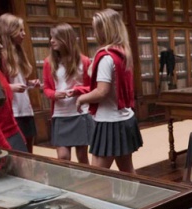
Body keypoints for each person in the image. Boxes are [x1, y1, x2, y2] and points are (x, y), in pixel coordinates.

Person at [75, 8, 143, 173]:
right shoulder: (121, 53)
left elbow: (102, 92)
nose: (93, 34)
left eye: (95, 29)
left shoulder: (106, 58)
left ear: (104, 30)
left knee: (98, 174)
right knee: (127, 169)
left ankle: (112, 199)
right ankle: (133, 198)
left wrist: (81, 99)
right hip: (124, 118)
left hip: (110, 122)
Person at [42, 23, 93, 164]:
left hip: (80, 113)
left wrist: (77, 90)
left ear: (66, 39)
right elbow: (46, 88)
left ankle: (86, 184)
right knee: (63, 157)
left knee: (82, 156)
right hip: (60, 114)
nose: (51, 41)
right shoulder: (48, 63)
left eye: (56, 38)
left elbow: (92, 88)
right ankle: (67, 183)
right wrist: (53, 94)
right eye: (51, 37)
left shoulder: (84, 61)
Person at [0, 13, 40, 153]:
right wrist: (10, 87)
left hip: (25, 109)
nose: (24, 34)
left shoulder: (18, 53)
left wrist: (29, 83)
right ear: (9, 31)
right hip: (13, 112)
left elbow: (17, 79)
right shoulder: (0, 57)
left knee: (29, 150)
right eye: (20, 30)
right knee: (18, 153)